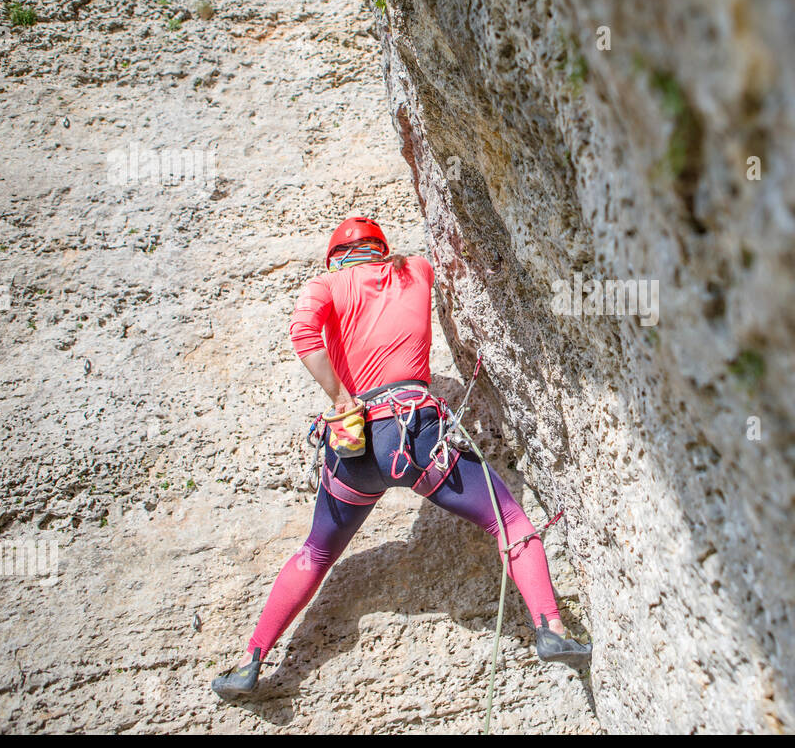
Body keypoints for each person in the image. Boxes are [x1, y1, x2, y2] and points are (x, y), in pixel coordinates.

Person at [212, 216, 590, 699]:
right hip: (413, 436)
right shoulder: (416, 270)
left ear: (335, 257)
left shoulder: (324, 285)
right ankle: (550, 628)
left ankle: (251, 662)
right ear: (381, 249)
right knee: (509, 520)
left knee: (316, 551)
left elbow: (303, 334)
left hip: (353, 450)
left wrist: (342, 398)